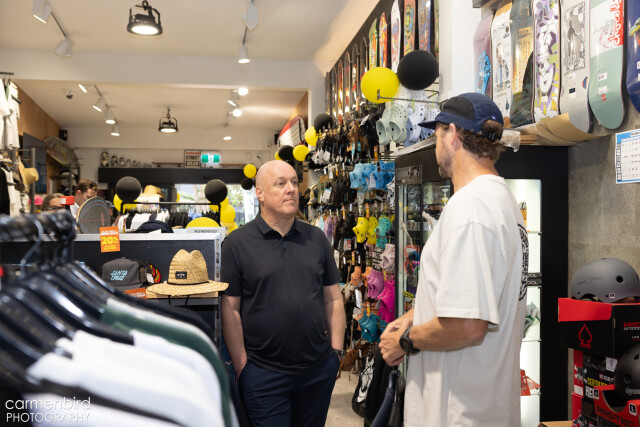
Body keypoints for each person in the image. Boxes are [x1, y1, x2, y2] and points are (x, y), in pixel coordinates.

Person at [379, 93, 529, 427]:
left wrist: (405, 341)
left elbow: (468, 325)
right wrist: (414, 316)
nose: (436, 145)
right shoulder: (502, 200)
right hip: (484, 405)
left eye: (436, 135)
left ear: (453, 134)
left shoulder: (471, 209)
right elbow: (471, 294)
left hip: (459, 412)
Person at [221, 160, 345, 427]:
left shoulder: (316, 238)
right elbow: (230, 309)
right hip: (263, 374)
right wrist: (243, 367)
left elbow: (334, 298)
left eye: (294, 182)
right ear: (260, 193)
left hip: (317, 370)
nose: (291, 189)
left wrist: (336, 353)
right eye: (280, 183)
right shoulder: (237, 244)